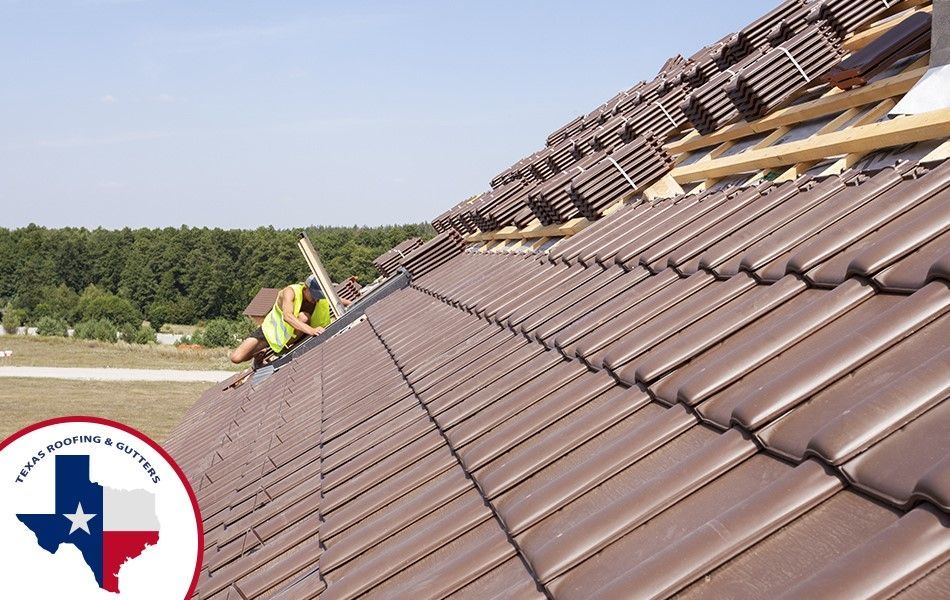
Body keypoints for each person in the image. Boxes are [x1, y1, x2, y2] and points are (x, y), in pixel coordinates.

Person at [230, 275, 350, 365]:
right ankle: (258, 357)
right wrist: (312, 330)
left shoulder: (319, 298)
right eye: (314, 295)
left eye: (319, 296)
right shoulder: (290, 292)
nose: (316, 300)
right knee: (236, 358)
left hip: (294, 338)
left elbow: (337, 300)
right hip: (272, 332)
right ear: (306, 288)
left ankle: (284, 347)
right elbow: (287, 316)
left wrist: (354, 302)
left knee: (304, 317)